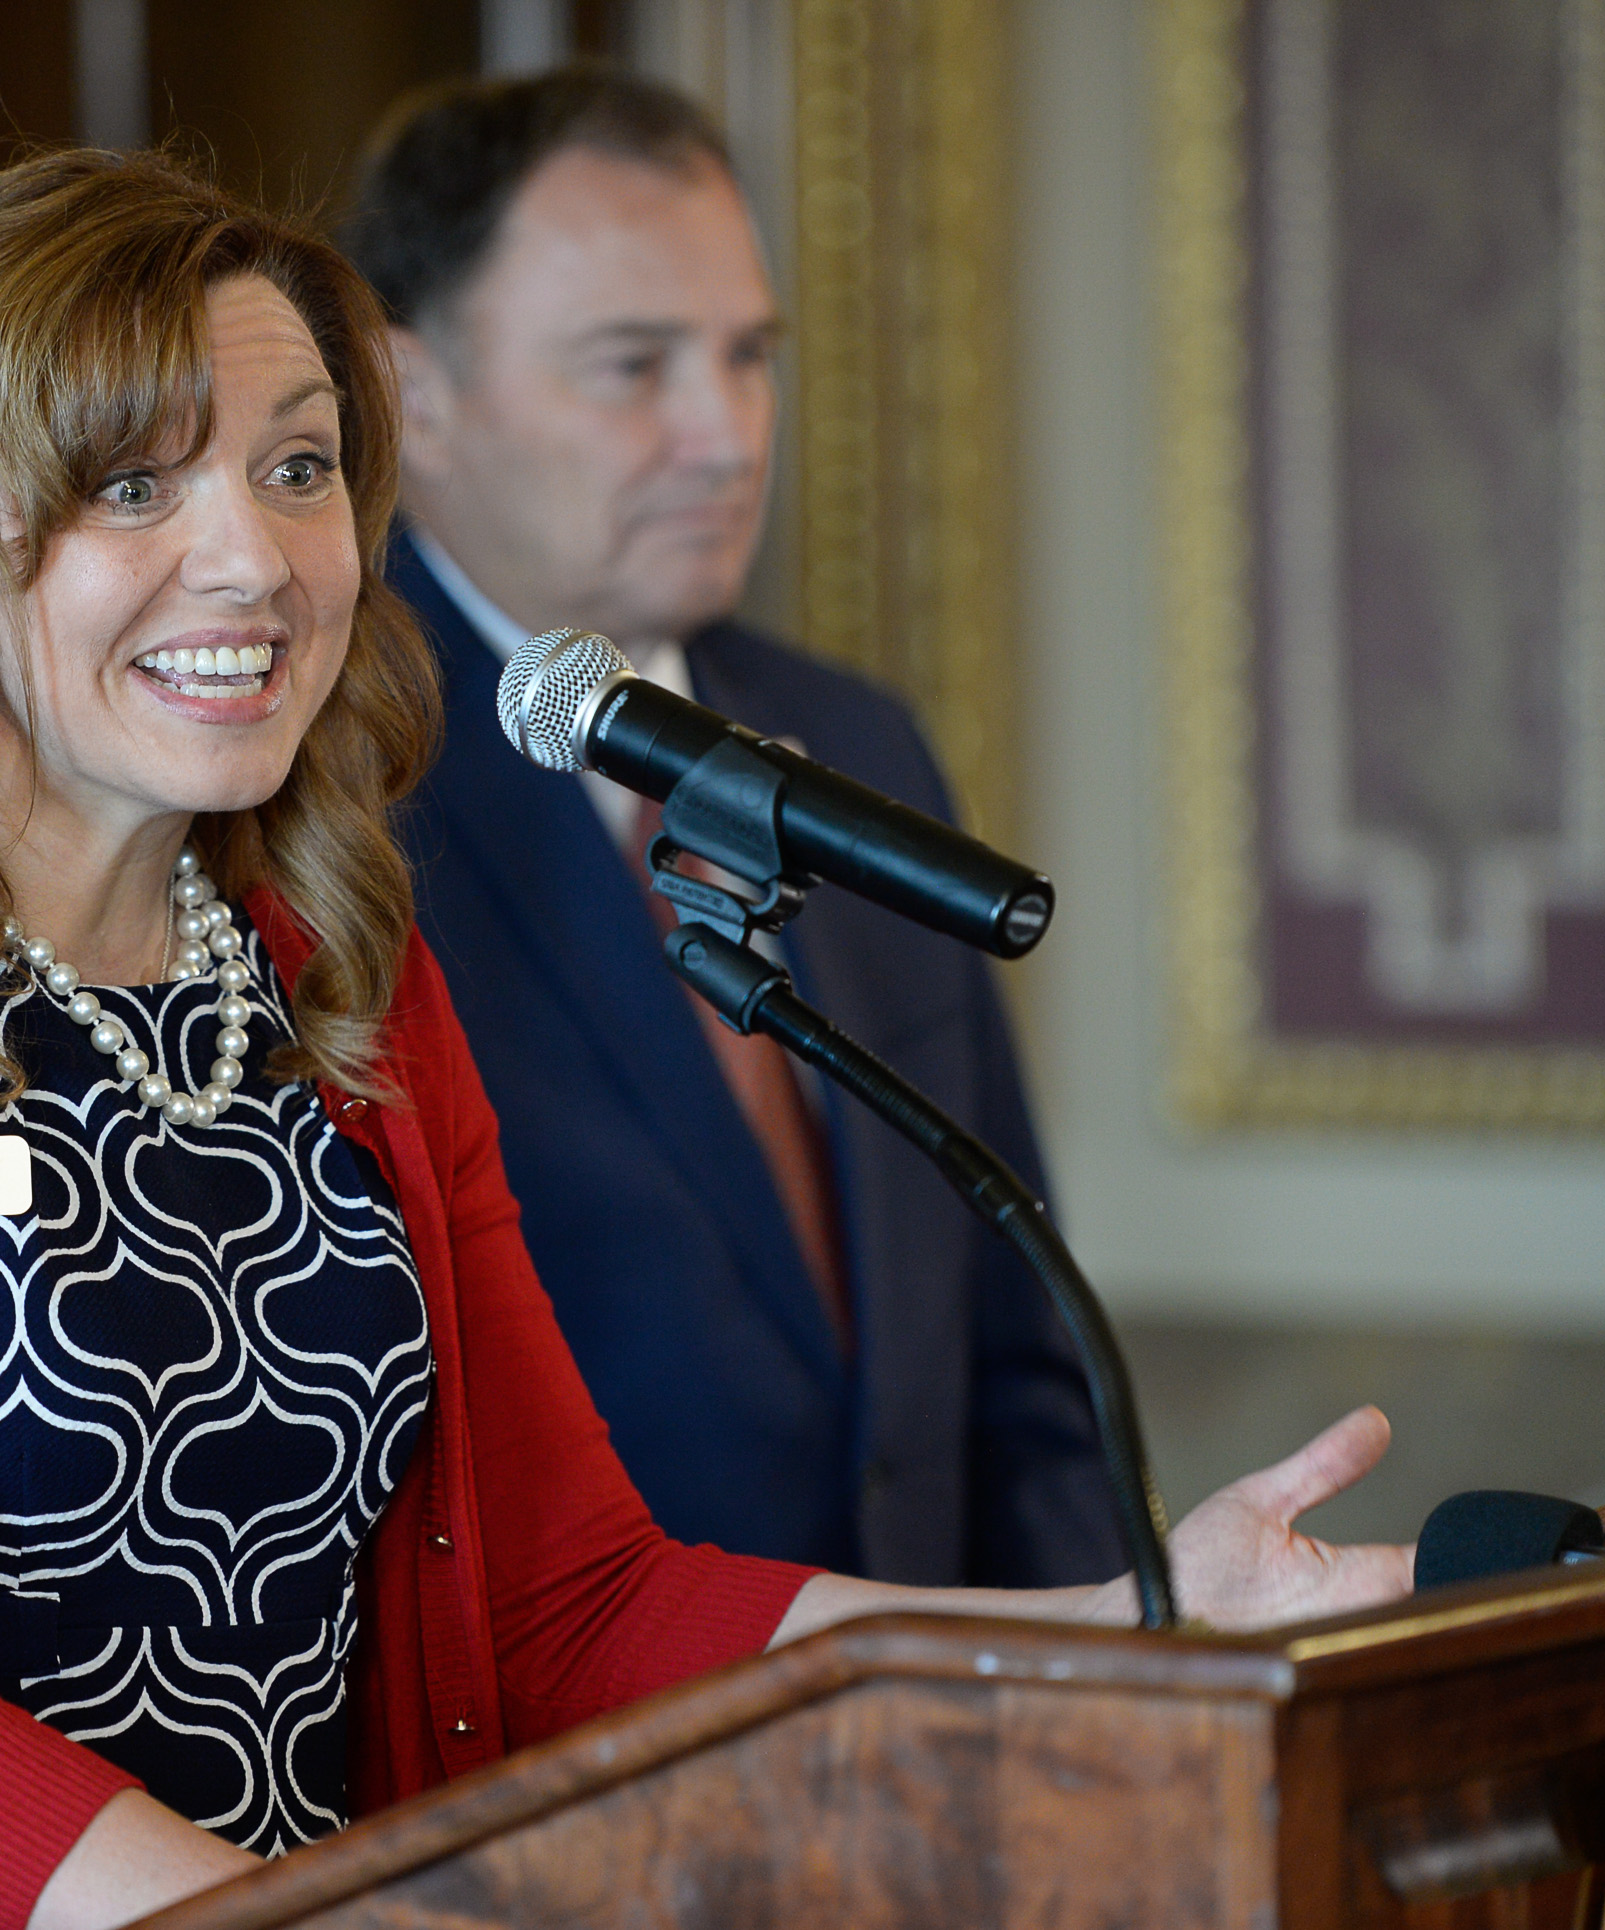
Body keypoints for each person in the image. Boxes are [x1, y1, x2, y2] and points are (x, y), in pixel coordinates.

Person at [0, 149, 1411, 1930]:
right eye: (136, 486)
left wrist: (1122, 1625)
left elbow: (576, 1597)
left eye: (300, 467)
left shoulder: (328, 958)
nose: (255, 561)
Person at [349, 71, 1110, 1585]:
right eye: (634, 367)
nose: (725, 432)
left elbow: (1015, 1360)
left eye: (749, 355)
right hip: (573, 1768)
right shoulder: (325, 790)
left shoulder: (856, 737)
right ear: (408, 395)